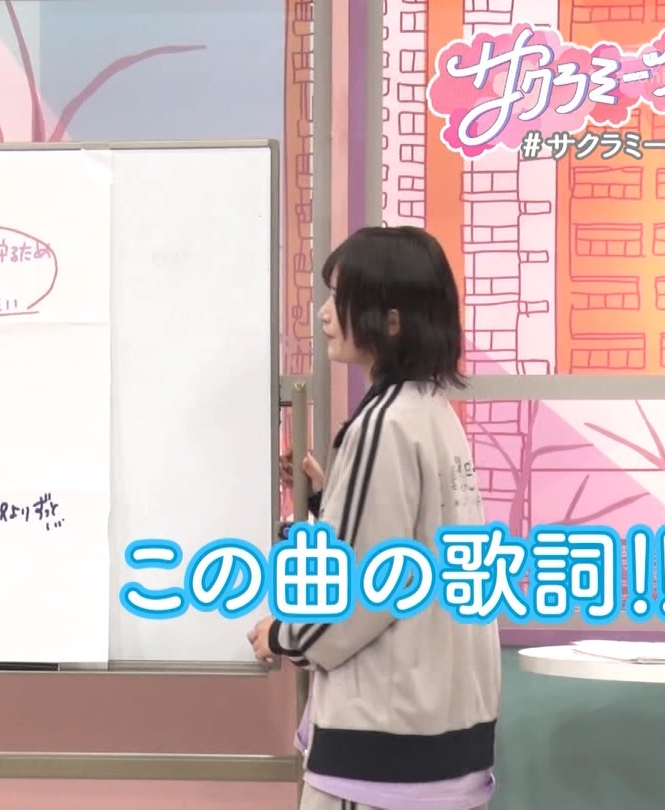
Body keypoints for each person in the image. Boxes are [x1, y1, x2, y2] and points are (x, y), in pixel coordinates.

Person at [249, 226, 499, 810]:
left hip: (381, 753)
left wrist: (283, 634)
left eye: (340, 298)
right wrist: (332, 495)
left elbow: (359, 591)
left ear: (390, 322)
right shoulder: (434, 413)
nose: (324, 313)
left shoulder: (383, 424)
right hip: (446, 741)